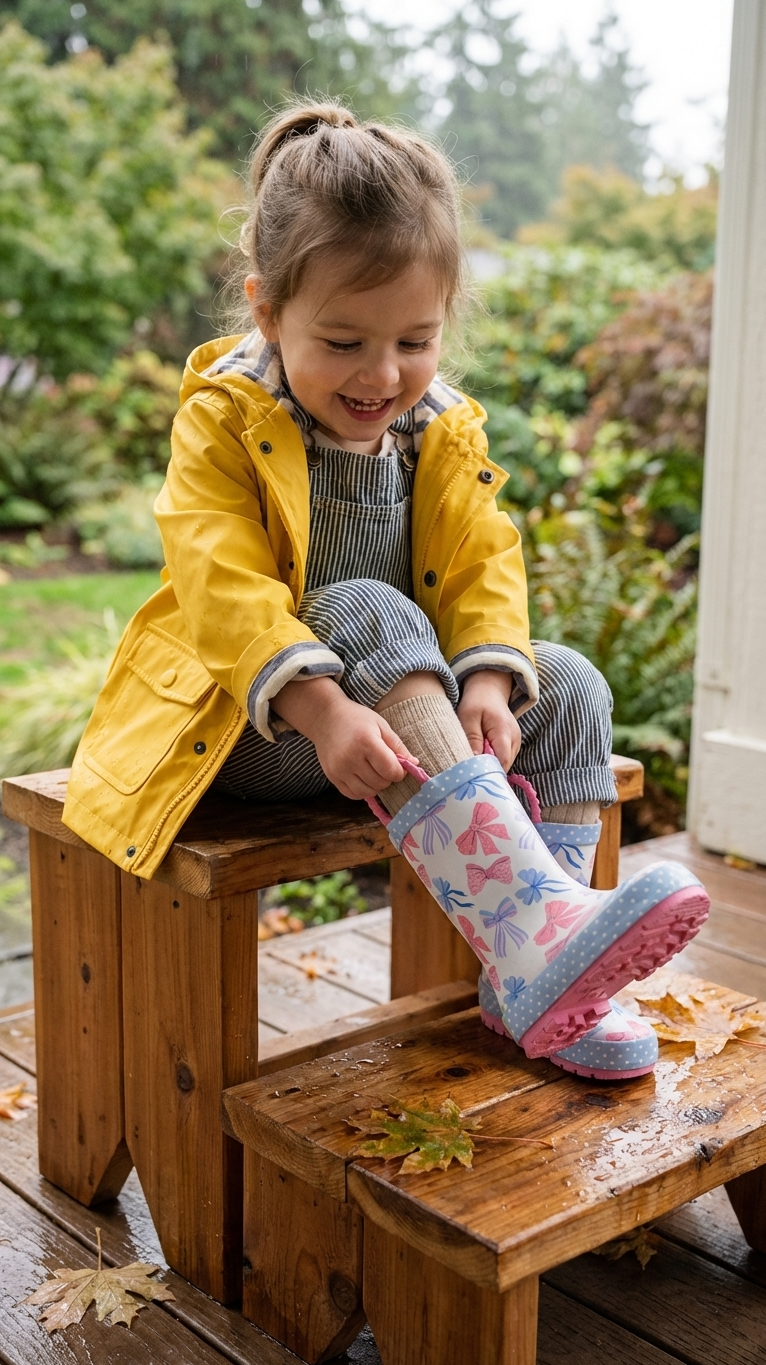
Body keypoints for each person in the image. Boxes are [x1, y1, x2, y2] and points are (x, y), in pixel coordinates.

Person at [63, 103, 707, 1072]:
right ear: (269, 311)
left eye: (415, 340)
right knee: (367, 605)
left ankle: (538, 979)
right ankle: (532, 925)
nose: (382, 373)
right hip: (260, 730)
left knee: (565, 679)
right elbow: (220, 585)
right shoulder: (224, 420)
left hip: (407, 736)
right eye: (345, 341)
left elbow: (487, 561)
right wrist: (322, 711)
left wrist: (488, 682)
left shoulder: (440, 429)